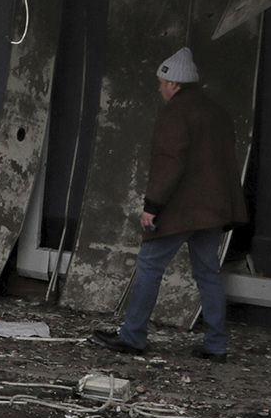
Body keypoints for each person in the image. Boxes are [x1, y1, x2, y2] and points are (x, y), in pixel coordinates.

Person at [93, 47, 247, 359]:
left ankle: (133, 335)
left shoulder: (176, 113)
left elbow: (170, 162)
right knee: (207, 272)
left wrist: (153, 205)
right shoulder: (217, 112)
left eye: (162, 83)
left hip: (181, 210)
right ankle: (216, 345)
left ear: (174, 84)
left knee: (150, 266)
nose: (160, 88)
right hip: (212, 211)